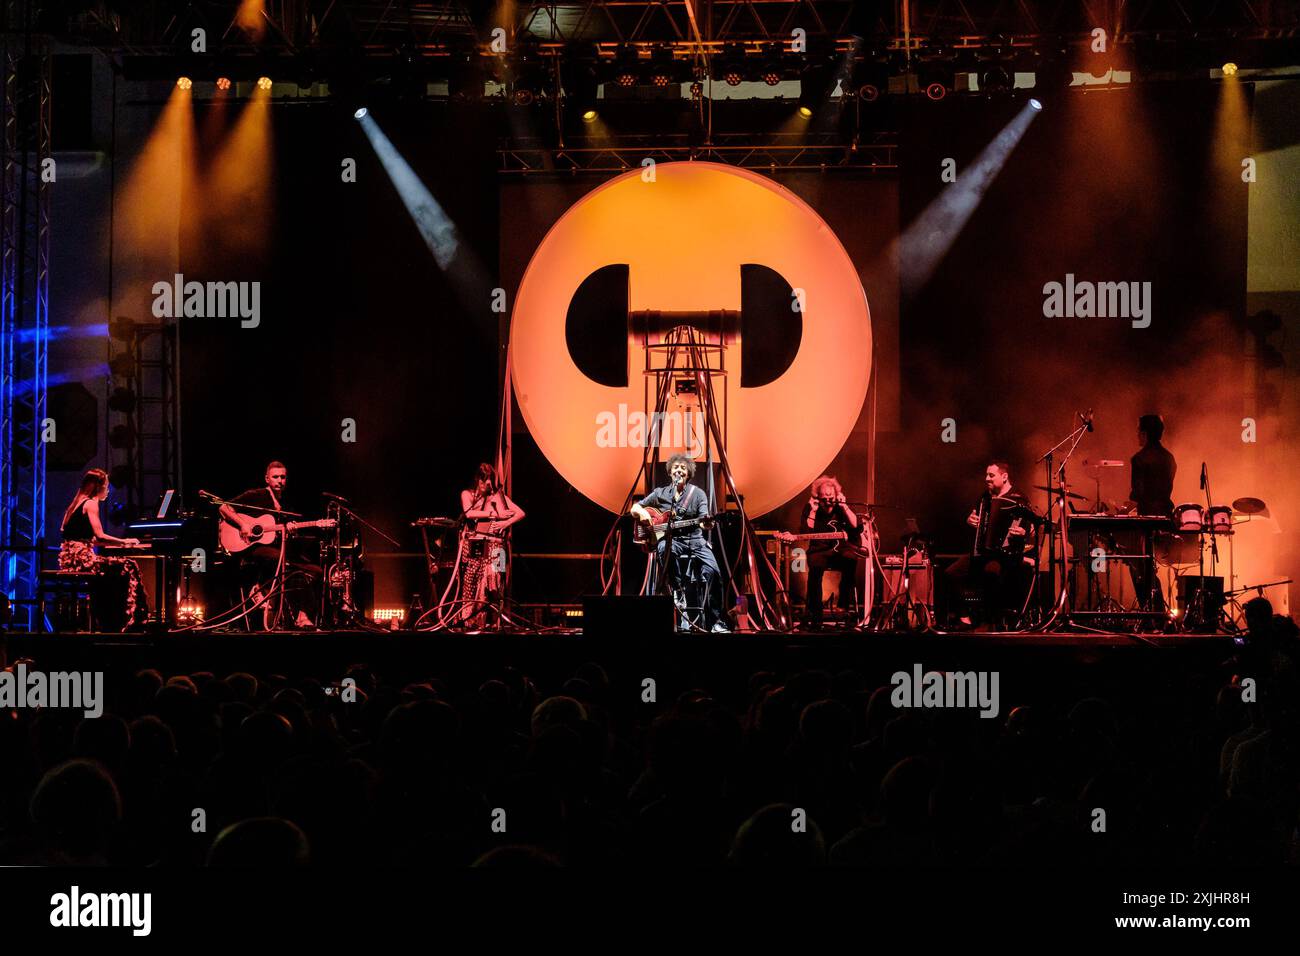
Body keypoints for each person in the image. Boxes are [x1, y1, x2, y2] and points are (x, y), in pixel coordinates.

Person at [629, 453, 726, 633]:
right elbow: (635, 507)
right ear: (670, 472)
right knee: (664, 547)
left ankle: (716, 621)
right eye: (676, 467)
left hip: (696, 541)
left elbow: (705, 518)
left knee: (714, 572)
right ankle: (678, 588)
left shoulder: (698, 494)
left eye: (683, 468)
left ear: (688, 473)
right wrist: (642, 514)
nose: (679, 470)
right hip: (673, 541)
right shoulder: (660, 493)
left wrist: (707, 523)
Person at [219, 461, 321, 629]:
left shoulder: (287, 504)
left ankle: (302, 614)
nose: (280, 480)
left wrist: (291, 531)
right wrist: (243, 525)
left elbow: (279, 531)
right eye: (275, 477)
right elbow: (223, 507)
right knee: (282, 561)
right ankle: (259, 588)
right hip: (251, 547)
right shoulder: (256, 495)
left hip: (275, 548)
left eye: (283, 477)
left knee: (315, 570)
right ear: (267, 479)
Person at [944, 461, 1034, 629]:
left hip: (1007, 555)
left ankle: (990, 621)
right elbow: (974, 517)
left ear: (1004, 476)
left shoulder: (1019, 498)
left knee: (991, 573)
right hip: (983, 552)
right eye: (986, 475)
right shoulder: (986, 497)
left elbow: (1031, 530)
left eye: (991, 475)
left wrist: (1023, 533)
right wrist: (970, 520)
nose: (987, 479)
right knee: (951, 573)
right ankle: (965, 618)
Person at [58, 467, 147, 631]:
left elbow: (85, 539)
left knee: (113, 569)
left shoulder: (75, 504)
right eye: (106, 486)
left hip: (69, 559)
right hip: (82, 560)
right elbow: (99, 536)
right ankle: (133, 619)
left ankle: (108, 618)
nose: (107, 490)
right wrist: (125, 542)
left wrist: (119, 543)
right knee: (129, 565)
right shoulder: (91, 503)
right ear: (97, 487)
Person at [457, 462, 525, 629]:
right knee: (472, 583)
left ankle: (497, 622)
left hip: (498, 546)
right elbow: (469, 513)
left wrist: (504, 523)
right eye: (483, 481)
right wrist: (495, 514)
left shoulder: (499, 497)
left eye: (488, 481)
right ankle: (471, 622)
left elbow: (521, 513)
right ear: (477, 480)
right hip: (477, 544)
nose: (485, 485)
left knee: (497, 582)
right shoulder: (468, 495)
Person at [1125, 414, 1177, 610]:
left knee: (1136, 564)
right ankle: (1157, 610)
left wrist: (1125, 507)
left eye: (1138, 431)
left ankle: (1151, 610)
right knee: (1147, 566)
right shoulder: (1169, 458)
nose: (1136, 435)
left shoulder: (1138, 459)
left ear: (1145, 434)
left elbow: (1138, 493)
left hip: (1145, 521)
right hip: (1166, 518)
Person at [798, 475, 861, 629]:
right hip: (819, 550)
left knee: (851, 559)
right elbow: (805, 532)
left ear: (835, 494)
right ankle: (816, 613)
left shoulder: (841, 507)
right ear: (818, 497)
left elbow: (857, 527)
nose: (827, 499)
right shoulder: (811, 508)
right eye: (824, 496)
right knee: (816, 567)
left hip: (840, 550)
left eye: (830, 495)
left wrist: (845, 506)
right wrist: (812, 511)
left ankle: (843, 605)